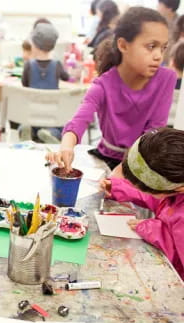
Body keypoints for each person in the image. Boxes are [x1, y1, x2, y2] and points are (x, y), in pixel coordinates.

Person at [46, 7, 176, 171]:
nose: (158, 56)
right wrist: (66, 147)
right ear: (123, 45)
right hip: (105, 160)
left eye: (163, 48)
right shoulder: (102, 86)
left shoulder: (166, 79)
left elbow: (153, 132)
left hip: (143, 160)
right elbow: (79, 121)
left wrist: (124, 172)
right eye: (151, 46)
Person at [100, 128, 184, 279]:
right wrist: (120, 188)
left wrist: (158, 232)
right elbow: (161, 199)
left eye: (148, 189)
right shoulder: (176, 180)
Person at [21, 23, 70, 143]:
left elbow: (24, 85)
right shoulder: (57, 64)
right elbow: (67, 77)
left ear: (34, 45)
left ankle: (27, 130)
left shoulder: (29, 65)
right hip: (52, 114)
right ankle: (50, 133)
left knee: (24, 123)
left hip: (32, 113)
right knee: (61, 127)